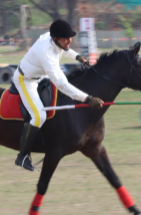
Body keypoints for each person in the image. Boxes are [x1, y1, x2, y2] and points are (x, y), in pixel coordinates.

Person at [11, 19, 103, 172]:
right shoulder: (46, 54)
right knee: (39, 115)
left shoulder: (55, 39)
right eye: (66, 38)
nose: (69, 41)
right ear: (55, 39)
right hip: (25, 80)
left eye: (70, 37)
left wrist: (77, 57)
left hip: (40, 76)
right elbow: (61, 83)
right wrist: (87, 99)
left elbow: (65, 48)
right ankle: (22, 156)